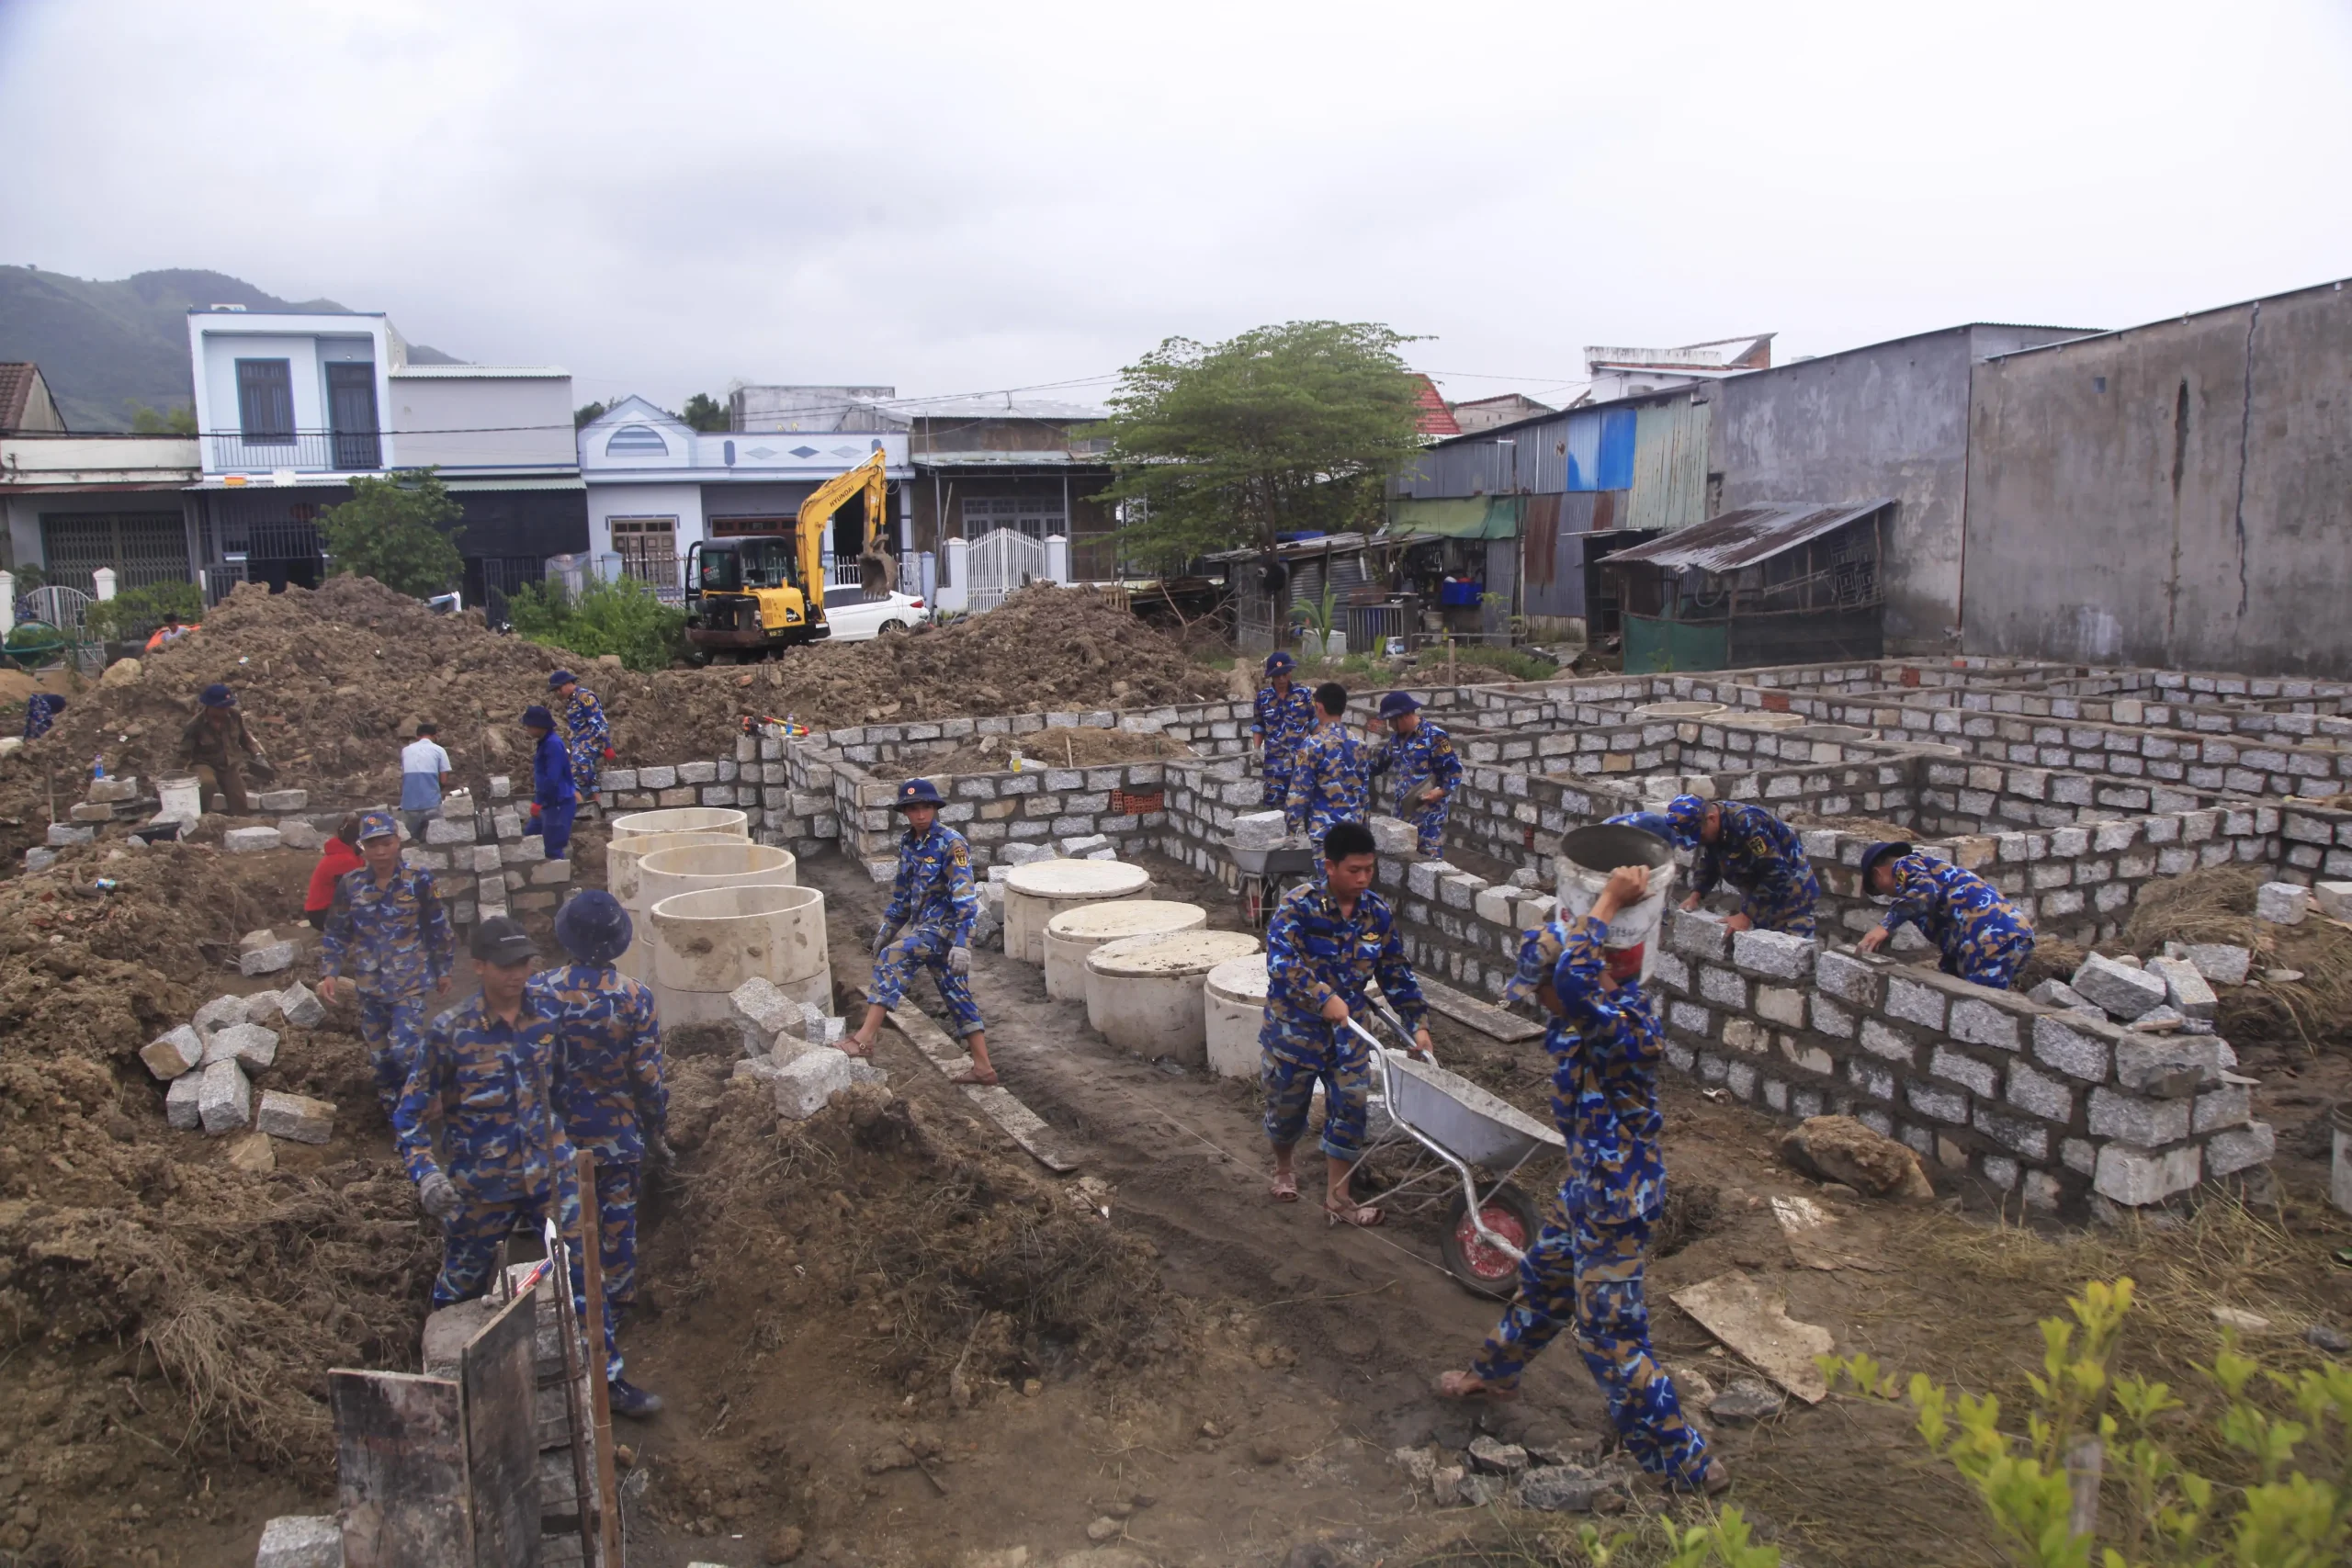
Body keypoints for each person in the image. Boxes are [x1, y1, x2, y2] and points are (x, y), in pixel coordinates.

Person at [1438, 859, 1727, 1497]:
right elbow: (1567, 964)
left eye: (1540, 990)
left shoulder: (1620, 1024)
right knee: (1543, 1281)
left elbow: (1574, 971)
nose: (1538, 1001)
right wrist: (1580, 910)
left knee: (1609, 1336)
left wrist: (1609, 902)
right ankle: (1498, 1372)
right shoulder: (1576, 1020)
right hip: (1587, 1188)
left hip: (1618, 1203)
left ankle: (1685, 1464)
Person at [392, 917, 594, 1400]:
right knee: (458, 1289)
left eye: (524, 964)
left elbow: (565, 1085)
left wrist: (567, 1145)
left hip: (549, 1177)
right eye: (505, 966)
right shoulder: (450, 1032)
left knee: (578, 1276)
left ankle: (589, 1377)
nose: (517, 975)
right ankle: (442, 1385)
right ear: (478, 966)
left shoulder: (549, 1014)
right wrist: (427, 1175)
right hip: (482, 1189)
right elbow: (410, 1116)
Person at [530, 890, 669, 1419]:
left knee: (568, 1241)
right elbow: (648, 1078)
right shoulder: (634, 998)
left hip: (559, 1146)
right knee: (616, 1230)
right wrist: (656, 1126)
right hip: (616, 1142)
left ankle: (581, 1320)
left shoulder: (538, 994)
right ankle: (614, 1309)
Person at [1261, 819, 1433, 1224]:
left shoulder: (1376, 913)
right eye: (1353, 870)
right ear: (1330, 866)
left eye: (1368, 870)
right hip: (1295, 1030)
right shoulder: (1297, 907)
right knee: (1286, 1111)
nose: (1362, 878)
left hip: (1349, 1033)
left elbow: (1395, 971)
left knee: (1351, 1106)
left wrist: (1417, 1024)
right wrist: (1322, 997)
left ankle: (1338, 1197)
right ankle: (1284, 1167)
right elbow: (1281, 962)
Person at [846, 779, 993, 1081]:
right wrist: (886, 930)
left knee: (893, 957)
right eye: (914, 809)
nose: (921, 815)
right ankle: (984, 1068)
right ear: (905, 813)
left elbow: (966, 899)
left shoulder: (952, 843)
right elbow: (902, 895)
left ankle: (865, 1038)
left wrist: (963, 943)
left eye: (926, 807)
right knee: (956, 995)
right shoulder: (909, 843)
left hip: (945, 932)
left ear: (935, 808)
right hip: (924, 926)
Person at [320, 810, 456, 1117]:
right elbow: (336, 931)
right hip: (370, 986)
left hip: (410, 982)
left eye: (386, 842)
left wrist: (443, 969)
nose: (381, 851)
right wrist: (330, 971)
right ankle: (396, 1119)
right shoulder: (351, 884)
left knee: (404, 1051)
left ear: (398, 842)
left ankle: (419, 1106)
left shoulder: (419, 879)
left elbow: (437, 927)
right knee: (381, 1061)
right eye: (373, 844)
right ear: (362, 847)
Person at [1858, 840, 2035, 988]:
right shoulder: (1930, 878)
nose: (1888, 894)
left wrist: (1885, 926)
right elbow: (1951, 937)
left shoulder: (1903, 865)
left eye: (1878, 889)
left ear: (1877, 874)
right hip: (2011, 934)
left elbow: (1924, 891)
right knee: (1979, 1002)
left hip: (1991, 938)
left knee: (1978, 1009)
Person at [1664, 794, 1820, 937]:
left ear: (1711, 818)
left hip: (1792, 895)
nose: (1700, 841)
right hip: (1760, 897)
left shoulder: (1748, 824)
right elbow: (1710, 860)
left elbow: (1776, 872)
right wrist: (1695, 895)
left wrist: (1745, 916)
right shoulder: (1710, 825)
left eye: (1700, 835)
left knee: (1792, 955)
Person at [1283, 683, 1370, 870]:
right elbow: (1364, 792)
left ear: (1319, 707)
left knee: (1328, 889)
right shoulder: (1360, 744)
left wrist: (1291, 827)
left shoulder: (1311, 745)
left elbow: (1299, 791)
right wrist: (1365, 829)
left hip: (1325, 834)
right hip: (1354, 831)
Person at [1367, 691, 1462, 859]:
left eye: (1392, 720)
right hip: (1404, 811)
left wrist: (1439, 792)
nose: (1391, 725)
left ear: (1403, 716)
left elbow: (1453, 772)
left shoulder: (1434, 736)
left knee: (1428, 860)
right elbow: (1378, 764)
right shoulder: (1397, 740)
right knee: (1402, 857)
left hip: (1428, 814)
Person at [179, 683, 273, 815]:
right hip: (204, 764)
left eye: (227, 706)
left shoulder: (234, 717)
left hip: (229, 765)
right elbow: (183, 754)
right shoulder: (195, 725)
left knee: (238, 797)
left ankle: (240, 824)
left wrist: (257, 756)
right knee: (207, 784)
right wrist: (175, 776)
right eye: (221, 707)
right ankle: (201, 817)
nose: (225, 710)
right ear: (210, 706)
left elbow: (245, 739)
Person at [1249, 651, 1317, 810]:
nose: (1281, 679)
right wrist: (1256, 749)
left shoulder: (1303, 694)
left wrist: (1322, 745)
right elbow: (1259, 726)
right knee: (1274, 809)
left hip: (1303, 761)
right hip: (1275, 765)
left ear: (1290, 672)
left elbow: (1314, 723)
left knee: (1306, 806)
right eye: (1277, 675)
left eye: (1284, 674)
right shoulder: (1262, 698)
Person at [549, 671, 614, 807]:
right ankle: (596, 812)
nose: (557, 693)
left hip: (589, 746)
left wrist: (607, 745)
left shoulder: (585, 697)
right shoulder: (572, 701)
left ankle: (583, 811)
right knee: (589, 780)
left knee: (570, 777)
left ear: (567, 684)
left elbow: (597, 721)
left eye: (558, 689)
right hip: (580, 747)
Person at [523, 705, 577, 863]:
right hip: (549, 802)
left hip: (558, 803)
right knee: (530, 840)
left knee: (552, 848)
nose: (527, 729)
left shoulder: (552, 745)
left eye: (529, 726)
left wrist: (538, 802)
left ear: (539, 726)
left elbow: (552, 778)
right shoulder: (544, 742)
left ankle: (559, 885)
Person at [302, 814, 366, 931]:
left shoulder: (344, 855)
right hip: (323, 914)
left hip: (322, 910)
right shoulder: (345, 860)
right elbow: (357, 893)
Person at [401, 721, 454, 840]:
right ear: (435, 736)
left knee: (411, 841)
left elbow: (405, 774)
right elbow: (444, 779)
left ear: (417, 736)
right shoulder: (439, 750)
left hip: (409, 805)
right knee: (438, 838)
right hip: (431, 804)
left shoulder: (406, 751)